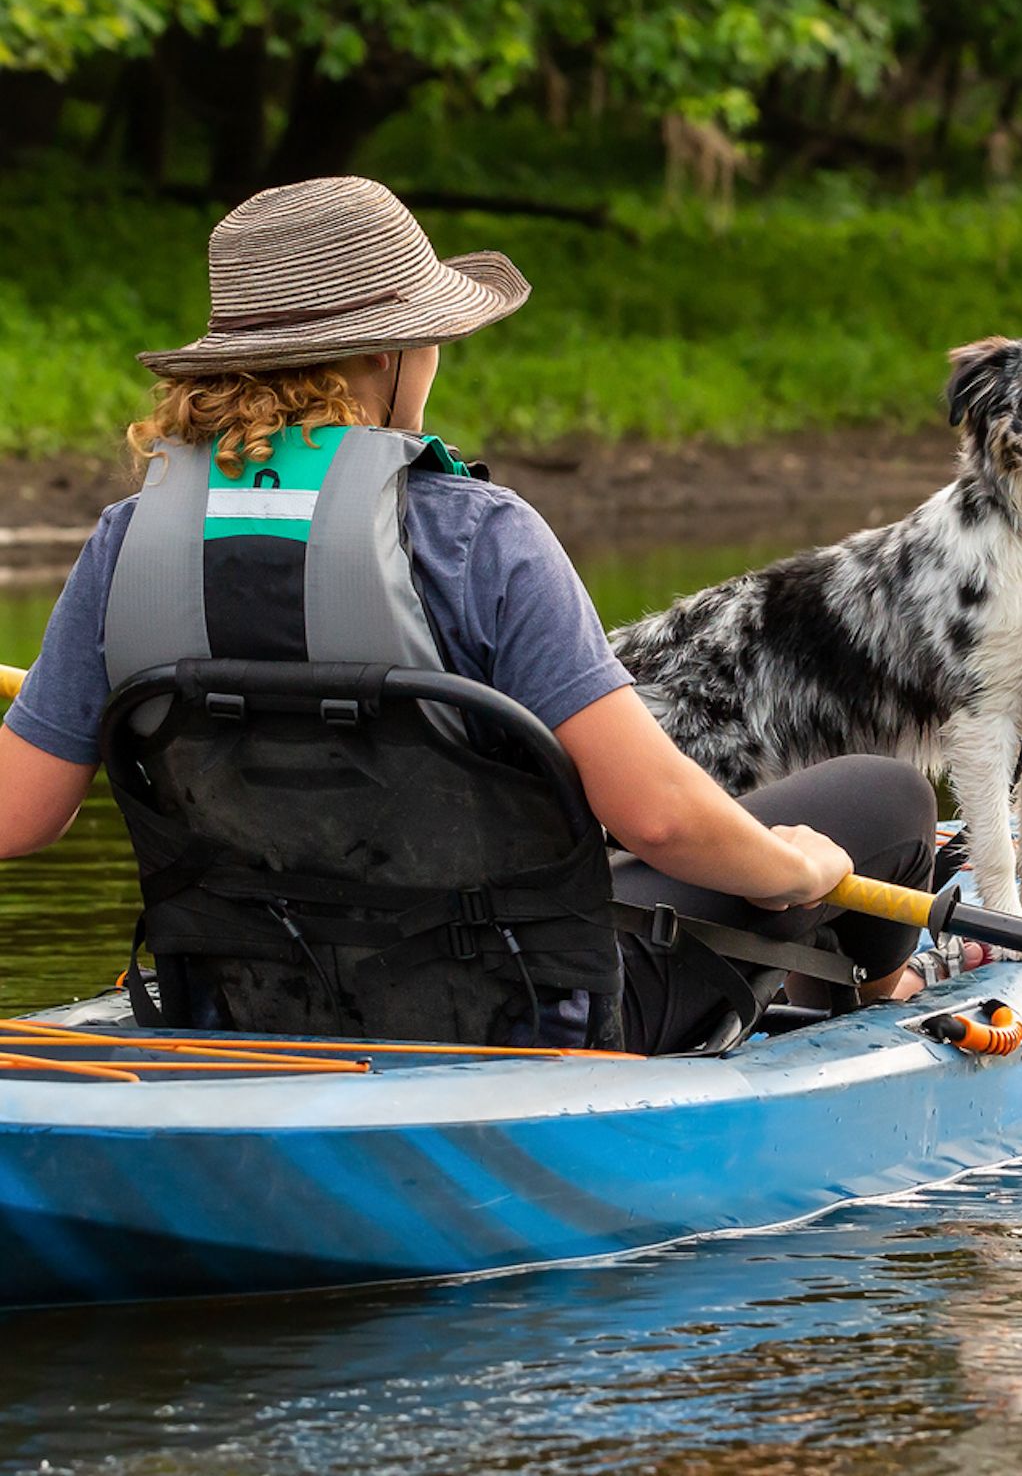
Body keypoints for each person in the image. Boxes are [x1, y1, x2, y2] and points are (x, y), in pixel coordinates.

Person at [0, 177, 939, 1053]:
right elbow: (659, 820)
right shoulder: (480, 537)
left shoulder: (127, 541)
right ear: (385, 351)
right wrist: (795, 873)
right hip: (522, 1022)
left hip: (243, 1002)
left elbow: (17, 815)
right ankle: (879, 996)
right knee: (884, 800)